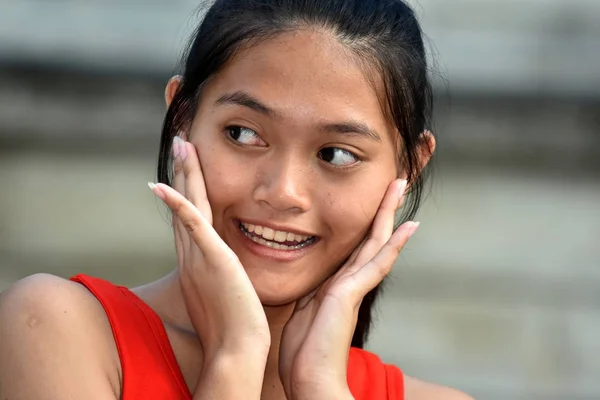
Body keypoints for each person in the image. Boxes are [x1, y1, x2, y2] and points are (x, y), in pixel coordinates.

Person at [0, 0, 474, 399]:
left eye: (336, 154)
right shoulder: (54, 329)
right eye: (243, 134)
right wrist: (234, 360)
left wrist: (319, 387)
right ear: (182, 120)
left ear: (408, 167)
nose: (283, 191)